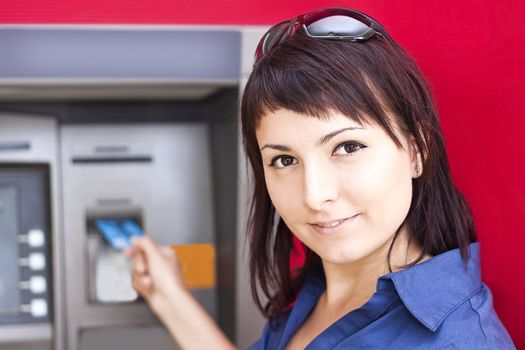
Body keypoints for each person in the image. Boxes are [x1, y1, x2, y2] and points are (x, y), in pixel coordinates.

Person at [126, 7, 515, 349]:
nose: (314, 195)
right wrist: (167, 294)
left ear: (417, 150)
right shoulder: (319, 292)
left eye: (347, 148)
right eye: (283, 160)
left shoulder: (458, 341)